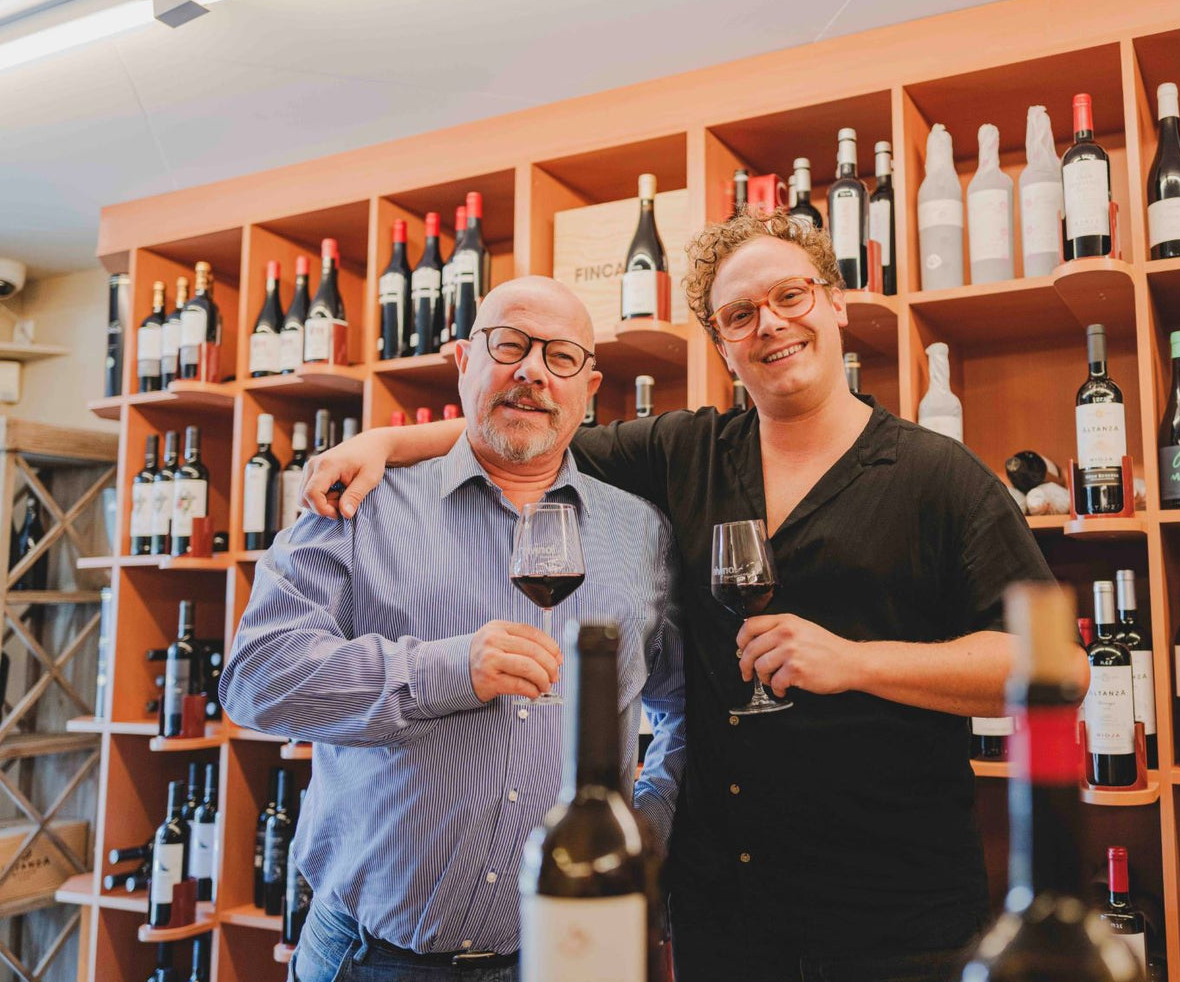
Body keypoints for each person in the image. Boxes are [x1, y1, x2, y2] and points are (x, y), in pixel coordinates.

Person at [301, 213, 1056, 981]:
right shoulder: (685, 452)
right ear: (723, 344)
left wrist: (857, 663)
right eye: (739, 315)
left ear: (835, 303)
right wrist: (383, 444)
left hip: (893, 913)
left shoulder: (939, 474)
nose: (769, 324)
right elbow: (530, 425)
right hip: (724, 913)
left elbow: (1051, 666)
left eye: (790, 296)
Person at [222, 276, 685, 982]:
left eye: (560, 357)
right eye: (509, 345)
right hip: (369, 959)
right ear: (464, 362)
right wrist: (445, 671)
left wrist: (647, 818)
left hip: (570, 955)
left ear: (588, 388)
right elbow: (258, 682)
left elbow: (686, 708)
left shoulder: (639, 532)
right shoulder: (357, 506)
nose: (532, 370)